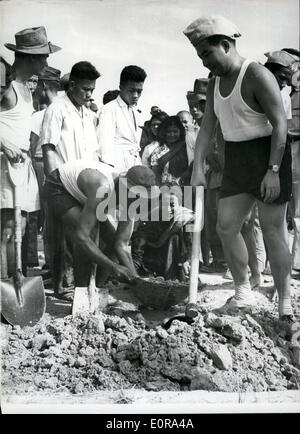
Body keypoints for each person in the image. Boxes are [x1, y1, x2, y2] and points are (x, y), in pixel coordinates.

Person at [184, 15, 294, 321]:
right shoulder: (213, 82)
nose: (205, 62)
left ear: (226, 44)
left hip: (269, 152)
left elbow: (280, 124)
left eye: (207, 54)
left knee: (273, 230)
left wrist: (272, 169)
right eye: (200, 56)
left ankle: (285, 301)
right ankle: (243, 291)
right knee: (226, 226)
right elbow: (207, 126)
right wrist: (198, 166)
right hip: (236, 155)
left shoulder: (257, 74)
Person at [1, 26, 61, 278]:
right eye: (44, 56)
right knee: (7, 230)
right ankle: (4, 287)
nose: (47, 61)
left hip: (22, 166)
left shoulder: (27, 90)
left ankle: (16, 280)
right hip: (5, 165)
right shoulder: (7, 88)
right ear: (30, 57)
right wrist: (4, 145)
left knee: (22, 228)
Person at [44, 162, 160, 287]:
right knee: (89, 235)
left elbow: (121, 244)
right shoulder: (102, 187)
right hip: (59, 186)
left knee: (112, 240)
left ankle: (98, 288)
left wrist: (136, 281)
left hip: (88, 196)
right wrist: (114, 267)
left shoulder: (132, 200)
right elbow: (81, 237)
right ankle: (82, 290)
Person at [40, 61, 101, 299]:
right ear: (72, 85)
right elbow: (48, 148)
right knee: (64, 236)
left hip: (86, 183)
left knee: (85, 234)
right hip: (62, 182)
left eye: (92, 90)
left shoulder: (89, 114)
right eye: (85, 89)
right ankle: (63, 285)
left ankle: (84, 286)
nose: (89, 94)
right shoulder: (57, 108)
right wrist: (56, 185)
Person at [97, 65, 147, 172]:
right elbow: (104, 148)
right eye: (131, 90)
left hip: (134, 167)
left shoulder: (136, 112)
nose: (135, 95)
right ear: (121, 87)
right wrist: (111, 175)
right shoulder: (109, 110)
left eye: (139, 91)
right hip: (116, 169)